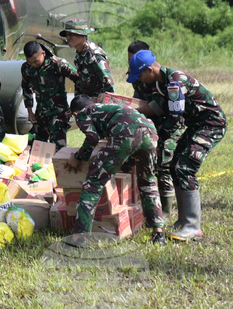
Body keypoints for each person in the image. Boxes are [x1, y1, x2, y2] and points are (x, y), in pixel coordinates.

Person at [128, 50, 227, 241]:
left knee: (185, 168)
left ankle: (192, 226)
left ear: (150, 69)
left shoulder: (175, 82)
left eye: (140, 75)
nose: (139, 80)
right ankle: (183, 222)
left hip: (211, 125)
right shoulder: (161, 82)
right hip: (196, 125)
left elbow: (174, 118)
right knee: (174, 167)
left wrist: (156, 137)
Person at [64, 95, 166, 247]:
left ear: (75, 113)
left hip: (126, 134)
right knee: (148, 182)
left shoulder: (84, 113)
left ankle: (79, 237)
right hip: (150, 133)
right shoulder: (106, 108)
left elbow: (92, 138)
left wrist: (79, 156)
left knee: (93, 184)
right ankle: (158, 233)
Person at [127, 40, 182, 218]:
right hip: (150, 124)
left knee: (164, 166)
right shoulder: (138, 74)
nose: (132, 66)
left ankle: (165, 213)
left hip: (168, 125)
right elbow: (138, 98)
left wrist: (134, 110)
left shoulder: (163, 80)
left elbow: (159, 106)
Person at [21, 41, 79, 150]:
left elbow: (79, 80)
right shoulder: (26, 68)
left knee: (57, 150)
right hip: (40, 115)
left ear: (43, 53)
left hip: (58, 115)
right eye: (30, 62)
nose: (33, 65)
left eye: (36, 62)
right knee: (32, 148)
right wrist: (30, 111)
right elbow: (26, 88)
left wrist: (74, 106)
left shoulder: (58, 64)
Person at [60, 19, 114, 100]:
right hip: (86, 102)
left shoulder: (94, 55)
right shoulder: (80, 54)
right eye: (67, 35)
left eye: (72, 34)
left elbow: (109, 85)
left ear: (83, 35)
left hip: (98, 104)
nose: (68, 38)